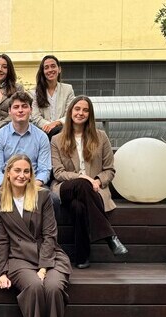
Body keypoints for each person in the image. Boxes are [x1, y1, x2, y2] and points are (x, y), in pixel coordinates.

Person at [0, 154, 71, 317]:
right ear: (8, 173)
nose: (22, 175)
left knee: (53, 288)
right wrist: (2, 271)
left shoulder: (42, 196)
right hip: (18, 258)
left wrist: (43, 268)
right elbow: (1, 239)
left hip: (50, 255)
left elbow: (50, 235)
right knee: (34, 287)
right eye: (17, 170)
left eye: (26, 171)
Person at [51, 95, 128, 269]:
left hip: (94, 189)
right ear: (70, 112)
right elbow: (58, 172)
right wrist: (83, 178)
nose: (81, 113)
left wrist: (98, 181)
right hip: (66, 187)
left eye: (85, 110)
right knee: (82, 184)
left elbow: (109, 169)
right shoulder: (57, 139)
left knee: (79, 207)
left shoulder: (101, 137)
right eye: (77, 109)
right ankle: (109, 236)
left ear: (90, 114)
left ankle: (82, 257)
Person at [0, 91, 51, 198]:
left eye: (24, 106)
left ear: (31, 110)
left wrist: (32, 185)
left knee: (52, 199)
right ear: (9, 111)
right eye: (16, 107)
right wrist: (11, 185)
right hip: (6, 182)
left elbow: (44, 170)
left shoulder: (41, 137)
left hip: (33, 182)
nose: (20, 110)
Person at [31, 55, 75, 139]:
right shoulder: (34, 92)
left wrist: (56, 123)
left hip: (63, 132)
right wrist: (49, 126)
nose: (50, 70)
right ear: (43, 71)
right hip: (42, 133)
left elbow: (70, 113)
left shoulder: (68, 89)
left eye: (53, 66)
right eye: (46, 67)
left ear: (59, 69)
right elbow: (35, 117)